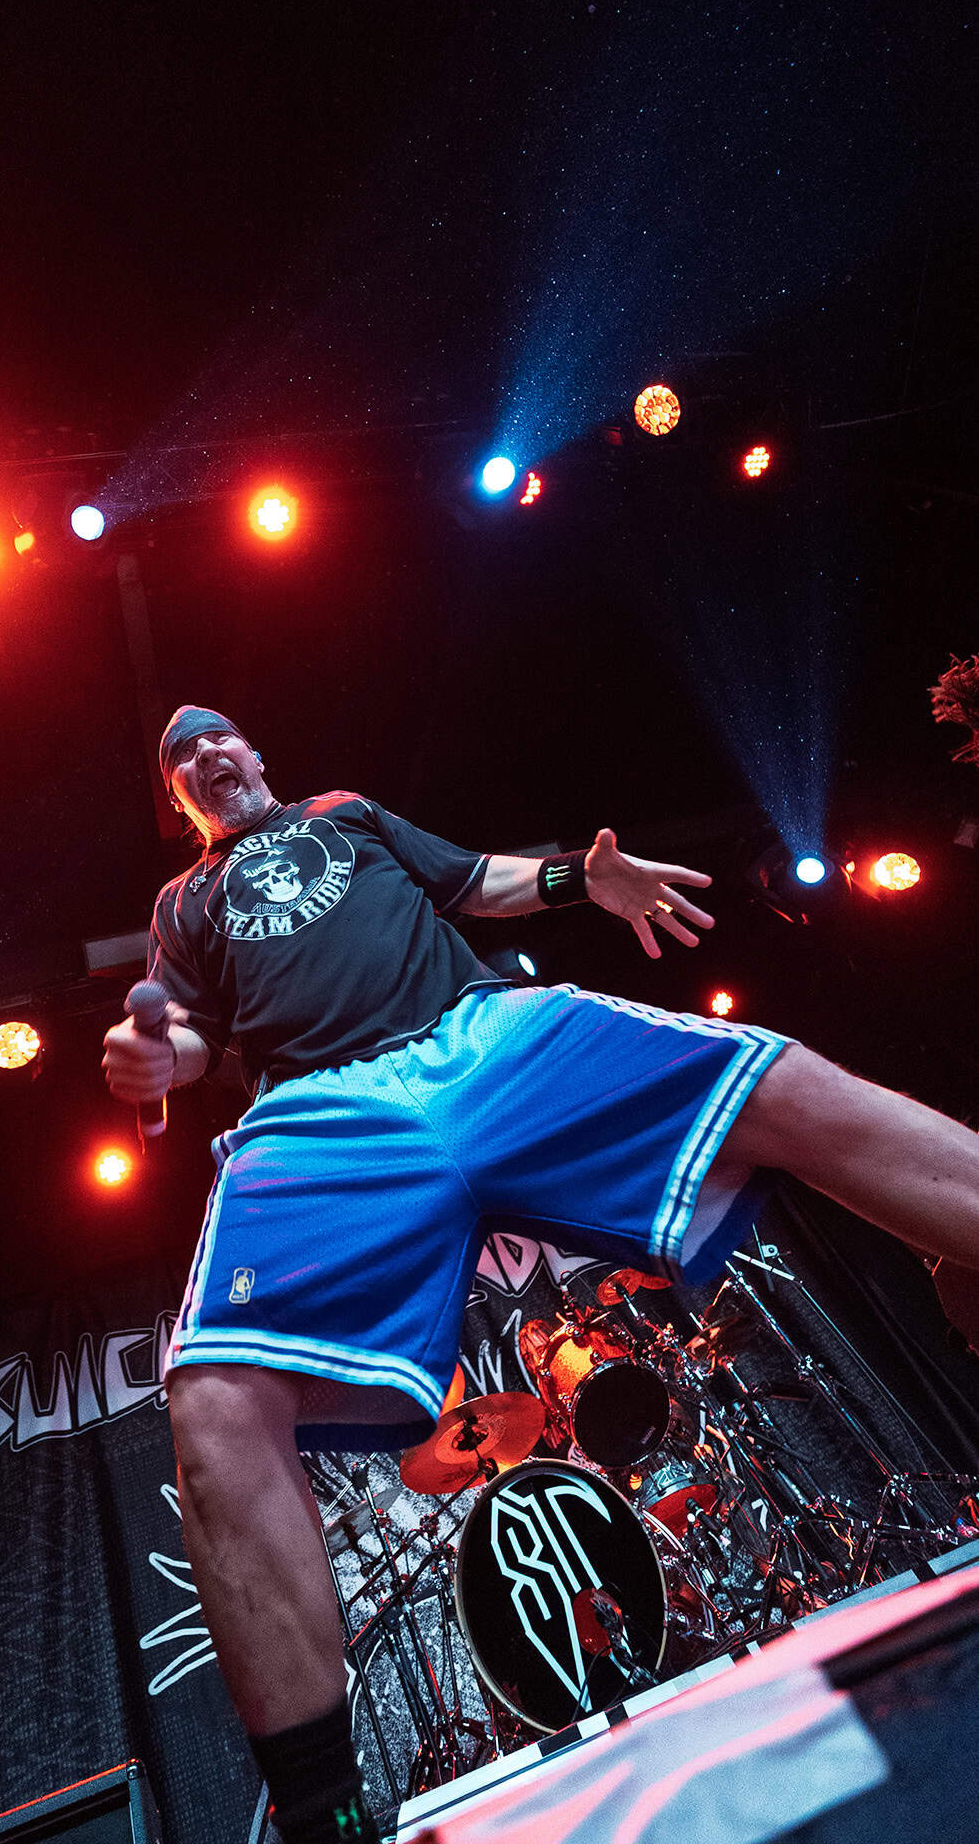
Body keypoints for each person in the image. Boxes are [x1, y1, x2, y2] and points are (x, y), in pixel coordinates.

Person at [103, 705, 979, 1844]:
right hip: (321, 1108)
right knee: (214, 1401)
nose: (205, 755)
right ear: (181, 800)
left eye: (219, 736)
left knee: (779, 1086)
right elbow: (189, 1036)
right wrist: (153, 1063)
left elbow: (480, 882)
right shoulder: (184, 903)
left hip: (483, 1035)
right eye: (181, 756)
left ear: (255, 753)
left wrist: (583, 878)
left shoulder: (345, 813)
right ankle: (326, 1813)